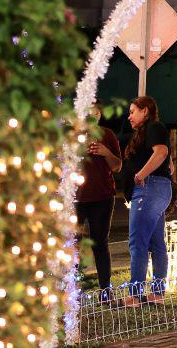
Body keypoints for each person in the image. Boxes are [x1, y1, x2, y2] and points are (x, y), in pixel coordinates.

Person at [123, 96, 171, 305]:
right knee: (156, 243)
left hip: (148, 189)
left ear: (145, 111)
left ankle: (135, 294)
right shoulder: (148, 131)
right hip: (157, 189)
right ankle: (157, 294)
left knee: (138, 243)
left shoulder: (154, 127)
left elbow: (161, 153)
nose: (129, 116)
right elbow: (169, 163)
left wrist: (141, 175)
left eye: (133, 111)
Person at [77, 103, 122, 297]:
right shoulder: (72, 136)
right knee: (72, 244)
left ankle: (106, 291)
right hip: (75, 199)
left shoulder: (107, 135)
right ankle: (72, 292)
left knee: (100, 243)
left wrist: (106, 153)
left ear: (99, 116)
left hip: (102, 197)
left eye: (95, 114)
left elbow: (117, 166)